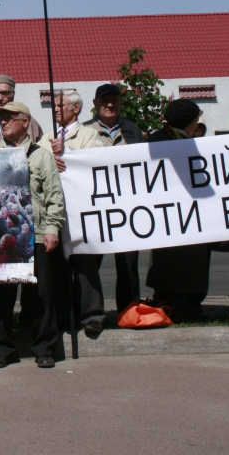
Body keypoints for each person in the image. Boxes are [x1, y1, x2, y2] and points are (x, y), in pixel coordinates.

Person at [0, 102, 66, 369]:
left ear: (25, 122)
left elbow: (54, 196)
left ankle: (44, 348)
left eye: (9, 118)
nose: (3, 122)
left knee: (42, 297)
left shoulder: (42, 155)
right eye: (1, 119)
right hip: (5, 236)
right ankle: (2, 349)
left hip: (38, 235)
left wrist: (53, 229)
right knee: (1, 297)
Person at [36, 90, 107, 335]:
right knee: (57, 268)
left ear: (75, 108)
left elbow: (95, 163)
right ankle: (63, 315)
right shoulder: (46, 138)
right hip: (54, 212)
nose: (56, 109)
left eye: (60, 105)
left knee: (85, 265)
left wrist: (67, 153)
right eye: (53, 106)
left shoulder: (89, 135)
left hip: (81, 211)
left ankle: (92, 314)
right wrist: (49, 158)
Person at [145, 99, 211, 322]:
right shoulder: (167, 142)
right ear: (191, 122)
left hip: (185, 212)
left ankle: (181, 303)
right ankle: (176, 303)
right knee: (175, 259)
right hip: (171, 213)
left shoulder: (156, 140)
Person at [81, 84, 144, 313]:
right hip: (94, 207)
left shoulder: (133, 130)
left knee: (128, 263)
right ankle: (89, 312)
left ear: (120, 103)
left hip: (126, 207)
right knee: (90, 263)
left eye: (114, 100)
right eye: (105, 101)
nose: (110, 105)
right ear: (95, 104)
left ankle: (129, 310)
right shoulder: (83, 130)